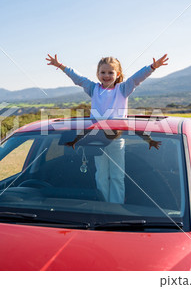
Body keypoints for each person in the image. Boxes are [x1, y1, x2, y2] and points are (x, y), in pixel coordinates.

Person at [46, 54, 168, 203]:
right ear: (97, 74)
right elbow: (78, 78)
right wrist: (61, 66)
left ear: (118, 74)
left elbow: (136, 78)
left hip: (116, 139)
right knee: (101, 175)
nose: (106, 75)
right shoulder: (93, 88)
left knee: (117, 176)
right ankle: (103, 204)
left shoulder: (123, 89)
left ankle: (116, 207)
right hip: (97, 139)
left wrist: (152, 67)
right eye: (103, 72)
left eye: (111, 72)